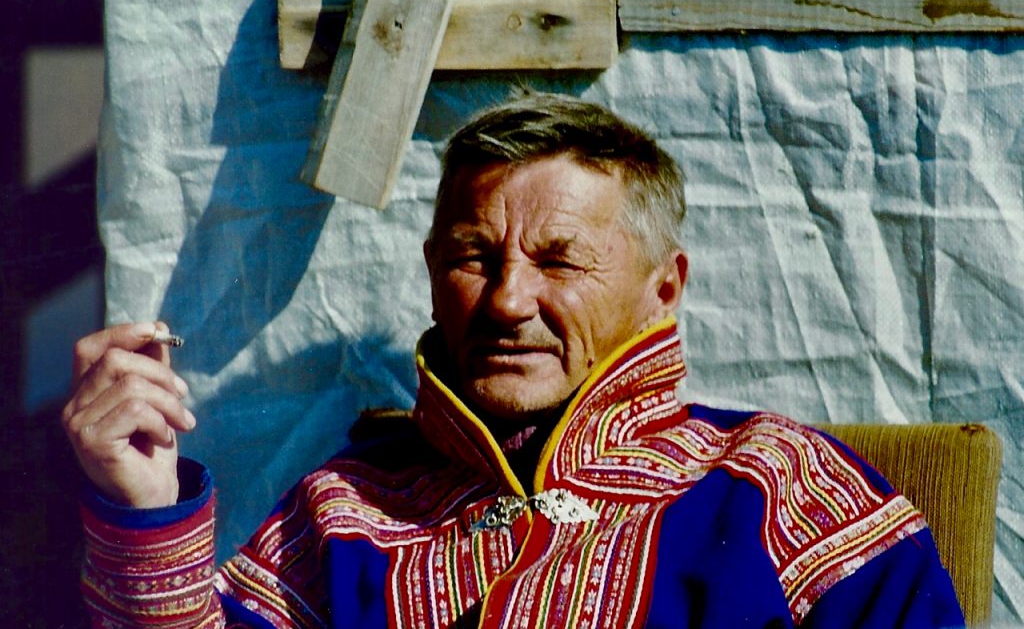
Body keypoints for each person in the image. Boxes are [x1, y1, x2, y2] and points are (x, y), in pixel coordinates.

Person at [63, 93, 964, 628]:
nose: (505, 301)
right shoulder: (342, 512)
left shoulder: (788, 489)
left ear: (663, 287)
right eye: (473, 256)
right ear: (432, 272)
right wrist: (144, 509)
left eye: (559, 261)